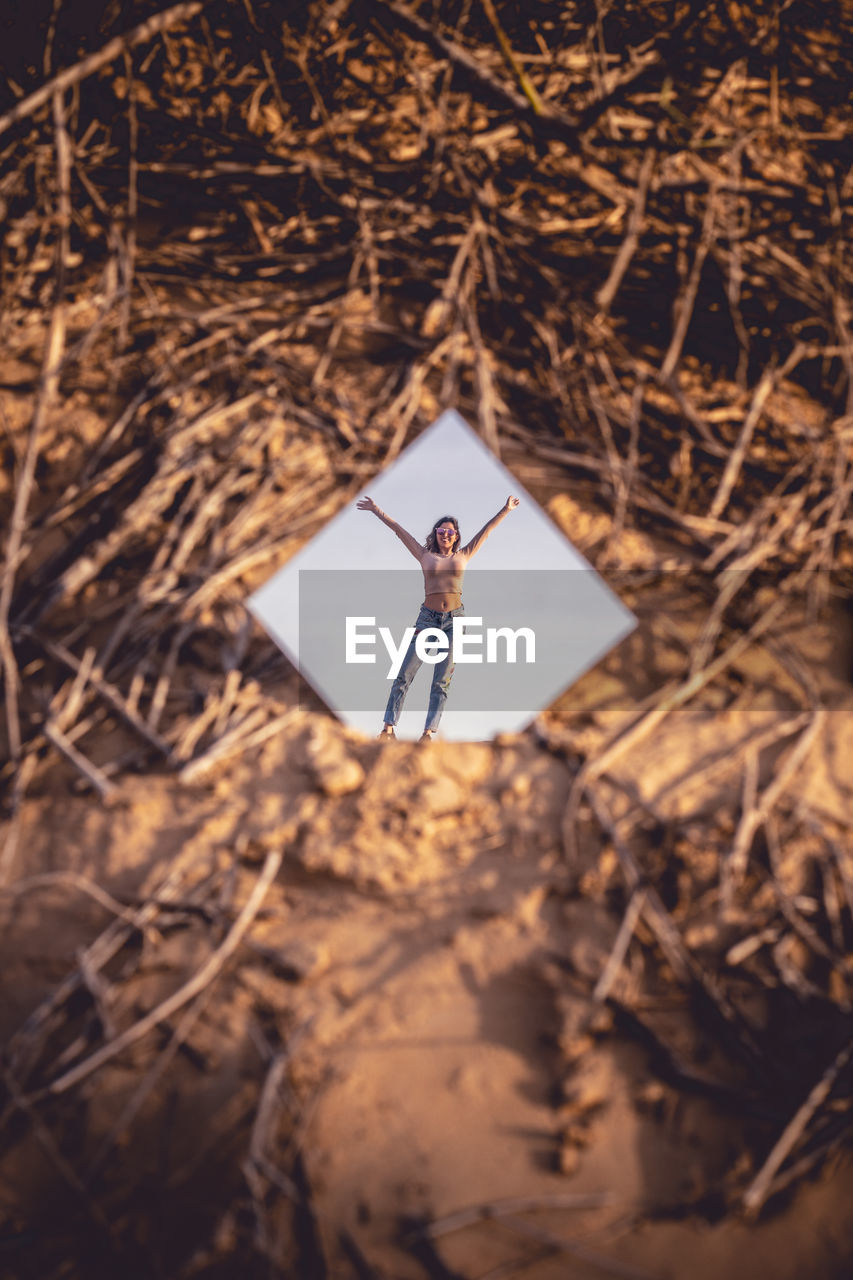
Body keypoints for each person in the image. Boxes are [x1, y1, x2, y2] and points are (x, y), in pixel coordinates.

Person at [357, 494, 520, 740]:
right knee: (404, 674)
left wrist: (505, 509)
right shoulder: (424, 556)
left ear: (457, 537)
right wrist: (375, 509)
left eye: (451, 532)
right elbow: (399, 531)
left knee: (441, 682)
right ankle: (389, 727)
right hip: (427, 620)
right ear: (435, 534)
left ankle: (428, 732)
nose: (446, 535)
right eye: (441, 531)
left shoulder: (464, 555)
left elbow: (486, 531)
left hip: (455, 622)